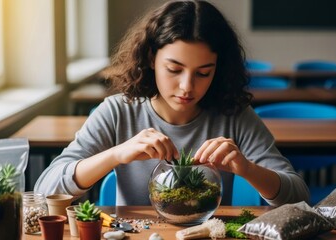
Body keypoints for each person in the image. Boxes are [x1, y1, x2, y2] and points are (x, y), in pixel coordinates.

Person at [35, 0, 309, 206]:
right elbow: (44, 188)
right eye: (174, 69)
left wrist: (247, 169)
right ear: (152, 58)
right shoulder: (117, 112)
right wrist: (116, 154)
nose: (187, 87)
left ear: (219, 68)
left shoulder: (234, 116)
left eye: (203, 73)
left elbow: (298, 194)